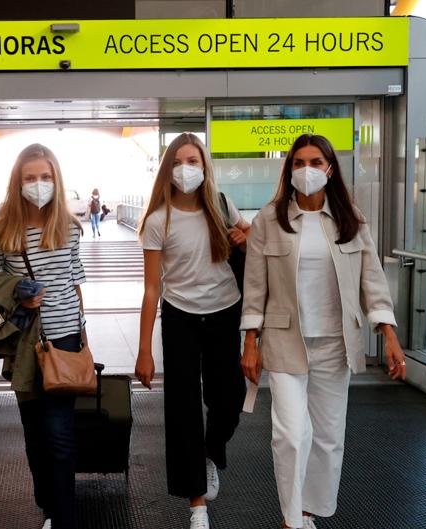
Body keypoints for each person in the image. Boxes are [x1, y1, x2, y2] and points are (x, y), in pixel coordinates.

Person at [239, 134, 406, 529]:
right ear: (289, 169)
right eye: (298, 163)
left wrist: (389, 333)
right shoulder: (269, 220)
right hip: (284, 340)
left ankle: (309, 511)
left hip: (336, 343)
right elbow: (255, 287)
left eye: (315, 162)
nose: (306, 170)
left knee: (329, 438)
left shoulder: (351, 220)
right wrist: (250, 341)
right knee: (292, 434)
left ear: (330, 169)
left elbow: (372, 279)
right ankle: (291, 518)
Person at [134, 133, 251, 529]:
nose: (187, 168)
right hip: (180, 317)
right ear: (168, 169)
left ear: (205, 167)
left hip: (224, 312)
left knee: (230, 396)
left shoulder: (221, 206)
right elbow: (152, 289)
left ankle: (211, 451)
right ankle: (196, 505)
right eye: (180, 161)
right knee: (182, 409)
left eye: (194, 160)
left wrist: (244, 236)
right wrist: (144, 350)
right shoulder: (156, 220)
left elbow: (255, 238)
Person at [0, 143, 87, 529]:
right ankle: (48, 505)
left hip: (64, 342)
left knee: (59, 435)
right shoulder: (2, 229)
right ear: (17, 182)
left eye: (45, 177)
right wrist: (15, 291)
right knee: (34, 435)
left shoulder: (70, 228)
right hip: (23, 345)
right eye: (30, 178)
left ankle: (63, 517)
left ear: (56, 180)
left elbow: (75, 282)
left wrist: (83, 336)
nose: (38, 184)